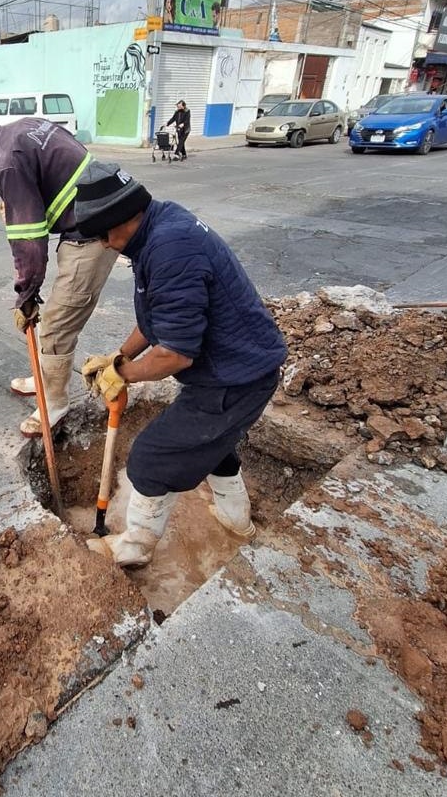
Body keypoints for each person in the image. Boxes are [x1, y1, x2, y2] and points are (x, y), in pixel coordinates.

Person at [73, 161, 287, 568]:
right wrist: (119, 357)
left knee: (151, 457)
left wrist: (123, 375)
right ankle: (236, 521)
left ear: (123, 218)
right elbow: (158, 319)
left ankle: (134, 548)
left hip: (235, 377)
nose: (102, 244)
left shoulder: (171, 250)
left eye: (103, 234)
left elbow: (175, 353)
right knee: (211, 446)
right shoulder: (159, 227)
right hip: (240, 367)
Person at [0, 109, 117, 437]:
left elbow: (30, 243)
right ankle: (47, 376)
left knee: (55, 327)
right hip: (95, 213)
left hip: (95, 233)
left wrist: (26, 296)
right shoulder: (21, 128)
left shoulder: (6, 161)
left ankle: (55, 401)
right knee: (55, 326)